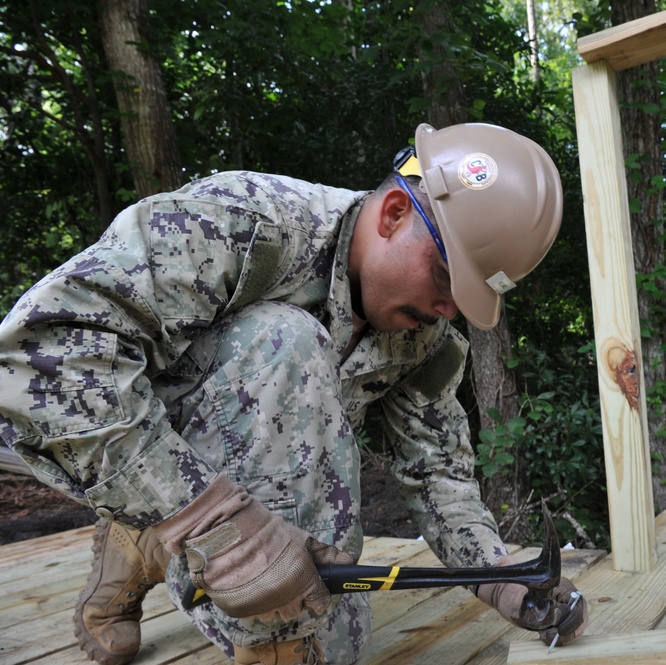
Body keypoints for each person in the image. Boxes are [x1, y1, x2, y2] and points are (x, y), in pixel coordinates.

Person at [0, 122, 588, 665]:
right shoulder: (240, 224)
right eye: (445, 276)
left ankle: (143, 541)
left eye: (467, 293)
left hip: (249, 496)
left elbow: (438, 473)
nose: (447, 308)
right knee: (284, 337)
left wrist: (497, 575)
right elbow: (42, 359)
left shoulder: (425, 339)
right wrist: (211, 523)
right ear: (391, 216)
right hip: (151, 451)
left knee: (338, 644)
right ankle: (161, 528)